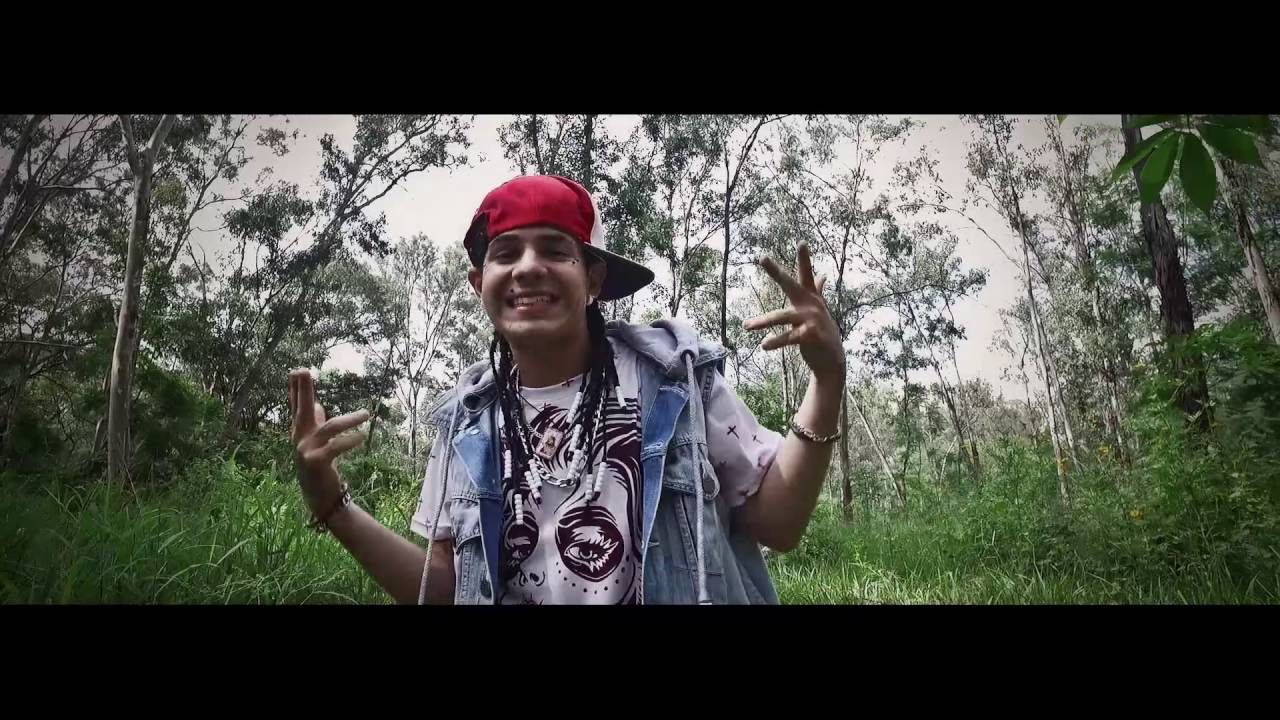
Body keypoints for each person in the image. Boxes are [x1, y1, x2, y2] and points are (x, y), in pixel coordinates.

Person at [287, 174, 845, 604]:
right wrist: (332, 506)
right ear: (480, 283)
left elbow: (779, 526)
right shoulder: (466, 422)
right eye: (506, 253)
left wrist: (827, 378)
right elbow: (443, 591)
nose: (528, 268)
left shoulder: (673, 384)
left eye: (556, 250)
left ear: (593, 279)